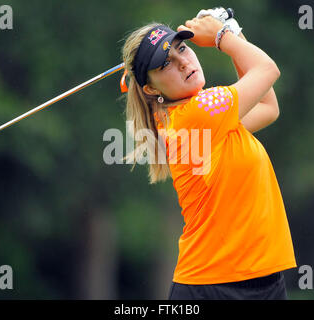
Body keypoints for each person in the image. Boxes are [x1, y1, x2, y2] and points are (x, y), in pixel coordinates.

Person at [120, 8, 296, 300]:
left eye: (183, 49)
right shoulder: (200, 112)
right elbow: (267, 70)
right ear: (151, 88)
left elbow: (267, 107)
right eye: (166, 64)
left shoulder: (192, 115)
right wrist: (222, 35)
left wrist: (232, 32)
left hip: (260, 281)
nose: (183, 63)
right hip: (215, 287)